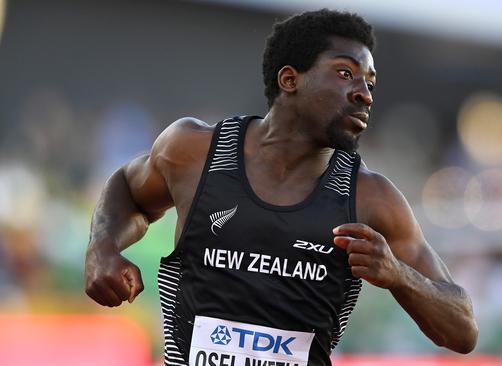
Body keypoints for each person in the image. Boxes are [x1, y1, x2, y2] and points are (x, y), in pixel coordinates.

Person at [84, 9, 478, 366]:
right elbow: (126, 187)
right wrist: (102, 249)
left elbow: (462, 330)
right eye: (346, 73)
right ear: (289, 79)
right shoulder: (195, 151)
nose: (364, 93)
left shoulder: (370, 197)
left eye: (370, 82)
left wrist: (397, 275)